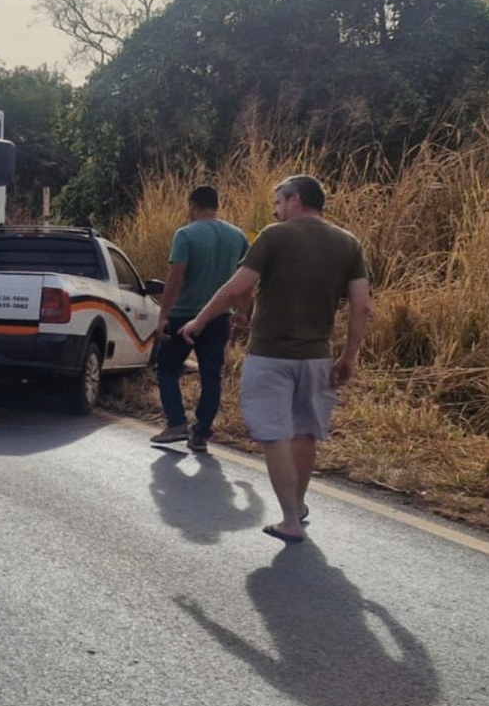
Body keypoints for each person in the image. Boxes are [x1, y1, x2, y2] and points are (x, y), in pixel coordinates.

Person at [179, 175, 370, 545]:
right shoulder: (349, 243)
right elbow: (362, 305)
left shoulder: (274, 236)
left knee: (273, 434)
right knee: (304, 433)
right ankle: (297, 507)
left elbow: (237, 286)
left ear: (295, 199)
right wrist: (349, 355)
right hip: (317, 357)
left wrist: (200, 320)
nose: (275, 209)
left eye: (279, 201)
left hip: (269, 355)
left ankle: (289, 520)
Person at [149, 184, 249, 454]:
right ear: (216, 206)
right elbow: (246, 279)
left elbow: (175, 277)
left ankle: (176, 423)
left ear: (192, 205)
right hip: (218, 318)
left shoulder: (186, 234)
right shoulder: (237, 236)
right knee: (211, 375)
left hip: (183, 315)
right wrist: (241, 310)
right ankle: (202, 433)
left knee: (167, 368)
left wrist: (163, 316)